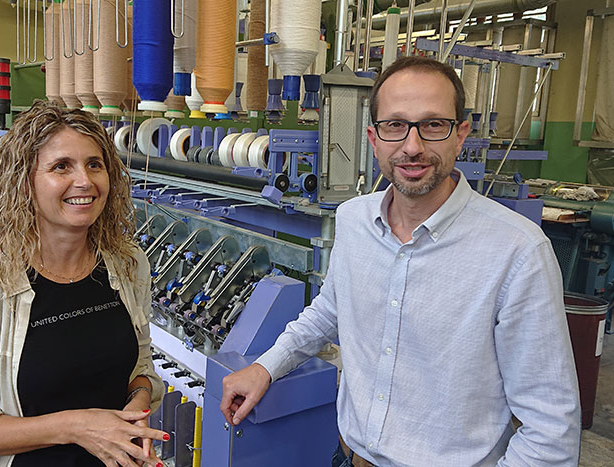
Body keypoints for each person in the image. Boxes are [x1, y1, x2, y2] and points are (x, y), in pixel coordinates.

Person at [220, 56, 581, 466]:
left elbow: (550, 430)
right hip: (348, 456)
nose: (412, 147)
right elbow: (328, 312)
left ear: (461, 135)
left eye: (433, 124)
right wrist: (266, 367)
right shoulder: (353, 219)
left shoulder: (518, 251)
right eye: (395, 125)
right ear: (373, 138)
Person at [0, 100, 167, 467]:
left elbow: (141, 365)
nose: (84, 181)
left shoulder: (128, 265)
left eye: (94, 164)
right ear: (25, 183)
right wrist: (74, 427)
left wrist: (140, 399)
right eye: (61, 166)